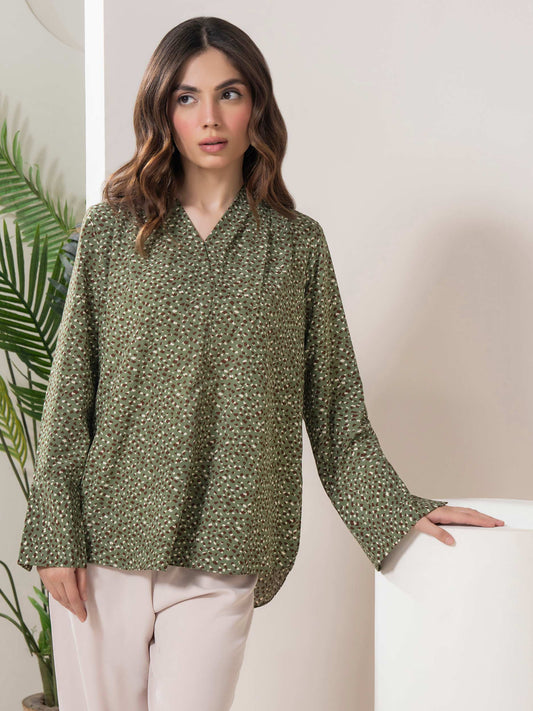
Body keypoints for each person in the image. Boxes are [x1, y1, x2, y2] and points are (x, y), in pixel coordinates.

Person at [16, 15, 505, 711]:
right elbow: (71, 396)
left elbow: (335, 410)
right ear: (163, 111)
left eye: (229, 93)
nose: (209, 117)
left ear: (257, 107)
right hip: (105, 541)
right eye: (186, 97)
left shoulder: (296, 247)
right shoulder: (113, 231)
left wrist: (399, 511)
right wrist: (55, 532)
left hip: (227, 540)